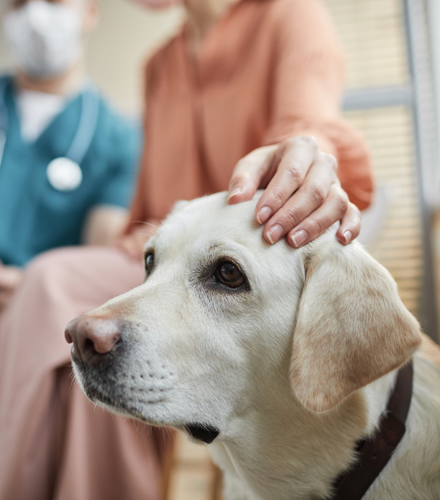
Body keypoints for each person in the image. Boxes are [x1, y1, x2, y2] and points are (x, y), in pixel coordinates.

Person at [0, 0, 374, 499]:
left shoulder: (288, 15)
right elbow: (148, 215)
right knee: (67, 307)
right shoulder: (159, 65)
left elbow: (309, 124)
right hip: (157, 263)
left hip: (246, 269)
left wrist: (304, 154)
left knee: (52, 282)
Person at [0, 0, 140, 312]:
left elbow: (95, 261)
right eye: (20, 3)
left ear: (90, 12)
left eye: (53, 1)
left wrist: (31, 286)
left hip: (40, 312)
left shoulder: (118, 140)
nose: (34, 16)